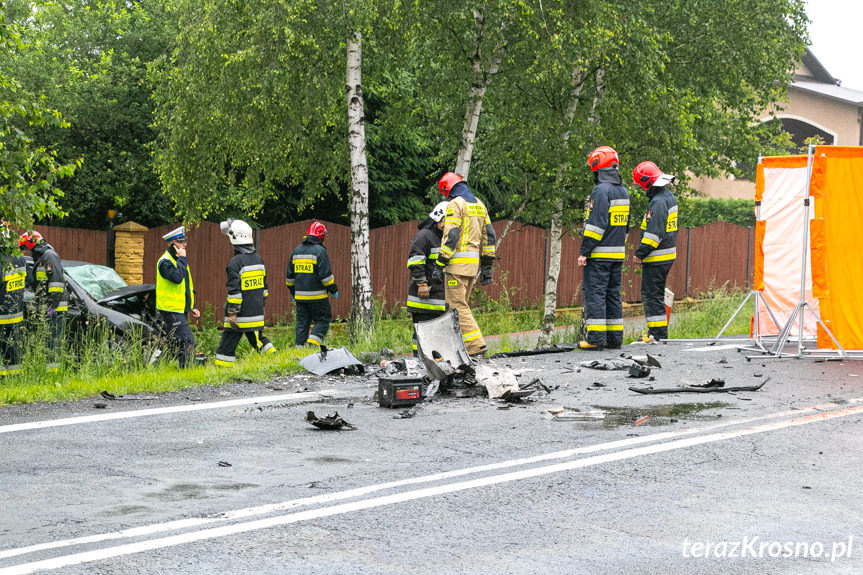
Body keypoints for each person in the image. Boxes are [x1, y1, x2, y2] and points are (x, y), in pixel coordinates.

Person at [432, 172, 496, 357]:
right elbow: (489, 236)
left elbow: (451, 236)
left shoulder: (455, 204)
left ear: (447, 189)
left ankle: (476, 346)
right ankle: (460, 349)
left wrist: (440, 263)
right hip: (471, 266)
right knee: (461, 306)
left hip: (456, 267)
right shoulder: (479, 204)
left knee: (457, 307)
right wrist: (486, 266)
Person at [578, 146, 630, 350]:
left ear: (598, 167)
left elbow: (595, 225)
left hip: (599, 255)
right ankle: (614, 339)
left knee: (595, 294)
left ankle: (596, 339)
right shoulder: (623, 190)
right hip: (617, 254)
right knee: (613, 295)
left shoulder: (601, 191)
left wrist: (585, 251)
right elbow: (625, 226)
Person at [214, 219, 276, 367]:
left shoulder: (235, 263)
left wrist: (232, 314)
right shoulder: (258, 259)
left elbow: (234, 292)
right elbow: (264, 287)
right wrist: (263, 305)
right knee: (258, 339)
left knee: (228, 342)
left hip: (240, 315)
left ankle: (222, 368)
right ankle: (275, 358)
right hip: (255, 312)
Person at [632, 161, 678, 341]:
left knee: (651, 296)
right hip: (665, 255)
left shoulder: (658, 202)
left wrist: (640, 253)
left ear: (647, 183)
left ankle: (657, 335)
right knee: (655, 295)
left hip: (657, 257)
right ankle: (657, 334)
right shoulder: (668, 197)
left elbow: (654, 234)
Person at [19, 231, 67, 372]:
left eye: (26, 248)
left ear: (32, 245)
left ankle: (53, 374)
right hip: (47, 307)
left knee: (54, 342)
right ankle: (48, 371)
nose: (27, 252)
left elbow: (56, 284)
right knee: (48, 341)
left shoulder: (49, 256)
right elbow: (38, 284)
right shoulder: (41, 258)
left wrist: (51, 308)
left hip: (55, 308)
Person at [406, 201, 449, 356]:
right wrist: (421, 283)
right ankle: (420, 361)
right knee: (421, 333)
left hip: (437, 298)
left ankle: (434, 362)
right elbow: (415, 261)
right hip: (423, 297)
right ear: (438, 218)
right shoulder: (424, 236)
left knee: (436, 335)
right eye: (447, 220)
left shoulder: (444, 239)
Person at [285, 222, 338, 347]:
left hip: (300, 298)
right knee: (323, 320)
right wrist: (333, 289)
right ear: (322, 236)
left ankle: (299, 351)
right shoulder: (320, 251)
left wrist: (293, 292)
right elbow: (326, 277)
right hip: (318, 298)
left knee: (302, 323)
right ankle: (311, 345)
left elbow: (289, 277)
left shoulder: (296, 251)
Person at [155, 226, 200, 368]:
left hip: (179, 308)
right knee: (187, 340)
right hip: (170, 309)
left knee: (173, 342)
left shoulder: (178, 260)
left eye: (185, 241)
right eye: (181, 241)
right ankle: (185, 371)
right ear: (172, 244)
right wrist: (182, 259)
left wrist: (191, 306)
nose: (185, 244)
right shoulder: (165, 262)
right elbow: (177, 278)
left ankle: (157, 367)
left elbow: (185, 287)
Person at [1, 223, 26, 376]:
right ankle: (15, 377)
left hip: (2, 313)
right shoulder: (20, 258)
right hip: (17, 311)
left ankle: (3, 379)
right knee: (13, 346)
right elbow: (28, 279)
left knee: (3, 347)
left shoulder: (1, 259)